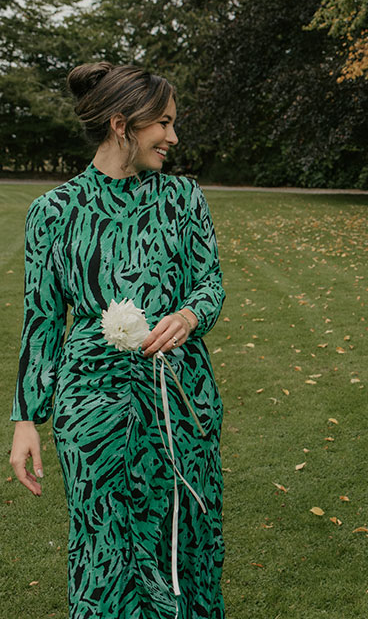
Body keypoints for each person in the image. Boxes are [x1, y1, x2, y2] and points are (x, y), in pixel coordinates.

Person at [9, 63, 226, 618]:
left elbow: (210, 283)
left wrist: (189, 314)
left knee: (184, 530)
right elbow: (42, 319)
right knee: (104, 541)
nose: (174, 138)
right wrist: (27, 420)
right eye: (164, 124)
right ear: (121, 124)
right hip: (90, 401)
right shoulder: (53, 212)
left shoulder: (182, 197)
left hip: (179, 394)